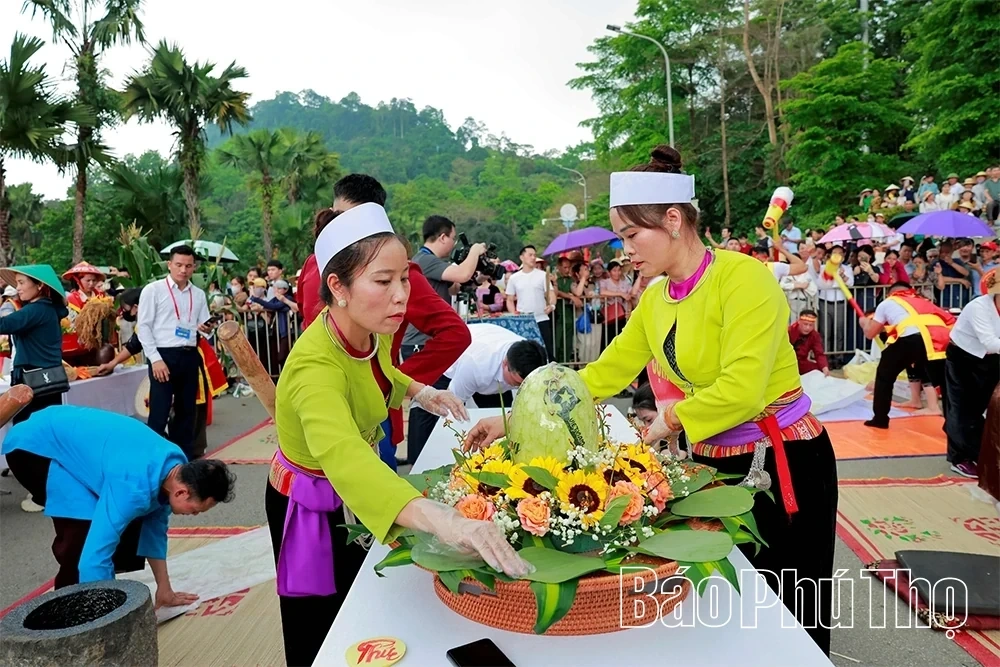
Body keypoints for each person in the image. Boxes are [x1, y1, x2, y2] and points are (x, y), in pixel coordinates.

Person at [465, 146, 838, 656]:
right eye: (621, 236)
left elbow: (745, 387)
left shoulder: (743, 279)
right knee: (725, 609)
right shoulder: (657, 299)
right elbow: (601, 375)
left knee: (792, 610)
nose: (626, 250)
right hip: (709, 463)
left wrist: (668, 420)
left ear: (674, 219)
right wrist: (518, 423)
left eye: (632, 235)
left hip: (779, 462)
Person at [267, 202, 529, 667]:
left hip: (358, 489)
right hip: (309, 501)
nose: (401, 295)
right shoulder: (313, 368)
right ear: (337, 287)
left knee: (370, 600)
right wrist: (445, 520)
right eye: (383, 281)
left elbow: (381, 367)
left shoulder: (375, 328)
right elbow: (345, 457)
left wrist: (420, 391)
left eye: (403, 278)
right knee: (323, 626)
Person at [2, 405, 234, 597]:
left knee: (130, 523)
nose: (194, 515)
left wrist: (165, 589)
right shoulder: (132, 486)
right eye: (196, 510)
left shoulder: (175, 468)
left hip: (73, 441)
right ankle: (69, 610)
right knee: (82, 537)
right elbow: (94, 558)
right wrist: (110, 613)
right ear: (182, 493)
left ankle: (93, 593)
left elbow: (154, 532)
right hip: (35, 446)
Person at [98, 289, 228, 459]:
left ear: (138, 306)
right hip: (165, 365)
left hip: (187, 362)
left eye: (126, 307)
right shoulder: (149, 319)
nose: (124, 312)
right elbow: (136, 343)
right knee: (164, 412)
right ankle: (169, 455)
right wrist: (113, 363)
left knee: (188, 411)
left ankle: (189, 454)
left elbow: (137, 343)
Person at [137, 245, 215, 459]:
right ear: (169, 265)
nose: (183, 270)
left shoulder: (198, 294)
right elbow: (143, 327)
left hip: (189, 354)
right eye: (179, 265)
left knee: (186, 412)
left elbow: (203, 328)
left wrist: (207, 329)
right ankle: (152, 459)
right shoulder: (153, 290)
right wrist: (155, 360)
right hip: (163, 355)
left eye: (188, 266)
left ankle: (183, 461)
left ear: (194, 267)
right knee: (159, 412)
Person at [859, 282, 953, 429]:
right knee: (944, 381)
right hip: (940, 339)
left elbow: (871, 334)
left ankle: (880, 418)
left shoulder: (888, 302)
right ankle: (952, 425)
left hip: (913, 338)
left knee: (885, 375)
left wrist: (865, 324)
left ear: (891, 293)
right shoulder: (923, 300)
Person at [299, 174, 389, 329]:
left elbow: (445, 325)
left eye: (356, 220)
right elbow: (304, 314)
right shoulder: (313, 263)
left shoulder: (395, 271)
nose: (343, 226)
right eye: (339, 217)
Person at [942, 270, 1000, 478]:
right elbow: (990, 342)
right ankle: (959, 458)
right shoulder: (979, 307)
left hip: (993, 358)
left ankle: (980, 450)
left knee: (986, 407)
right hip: (963, 357)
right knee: (961, 408)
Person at [0, 265, 69, 424]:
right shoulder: (50, 308)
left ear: (39, 285)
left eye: (22, 283)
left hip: (31, 380)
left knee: (27, 432)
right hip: (50, 379)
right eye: (17, 283)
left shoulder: (34, 310)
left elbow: (3, 325)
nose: (18, 288)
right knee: (48, 427)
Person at [444, 323, 546, 407]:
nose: (521, 387)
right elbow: (452, 404)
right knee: (438, 415)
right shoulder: (475, 365)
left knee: (502, 419)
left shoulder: (538, 361)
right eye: (517, 383)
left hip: (487, 340)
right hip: (450, 358)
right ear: (505, 363)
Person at [505, 245, 556, 360]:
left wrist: (551, 305)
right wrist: (514, 314)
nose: (533, 258)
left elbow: (551, 294)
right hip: (523, 321)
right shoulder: (514, 278)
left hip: (541, 318)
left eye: (534, 255)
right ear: (522, 257)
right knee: (525, 354)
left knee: (547, 352)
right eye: (530, 255)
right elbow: (509, 299)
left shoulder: (542, 275)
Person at [788, 310, 830, 376]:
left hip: (801, 363)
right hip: (787, 362)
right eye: (805, 324)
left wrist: (824, 367)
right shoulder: (789, 331)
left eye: (811, 325)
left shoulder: (814, 335)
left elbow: (819, 353)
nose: (807, 328)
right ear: (799, 321)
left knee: (820, 369)